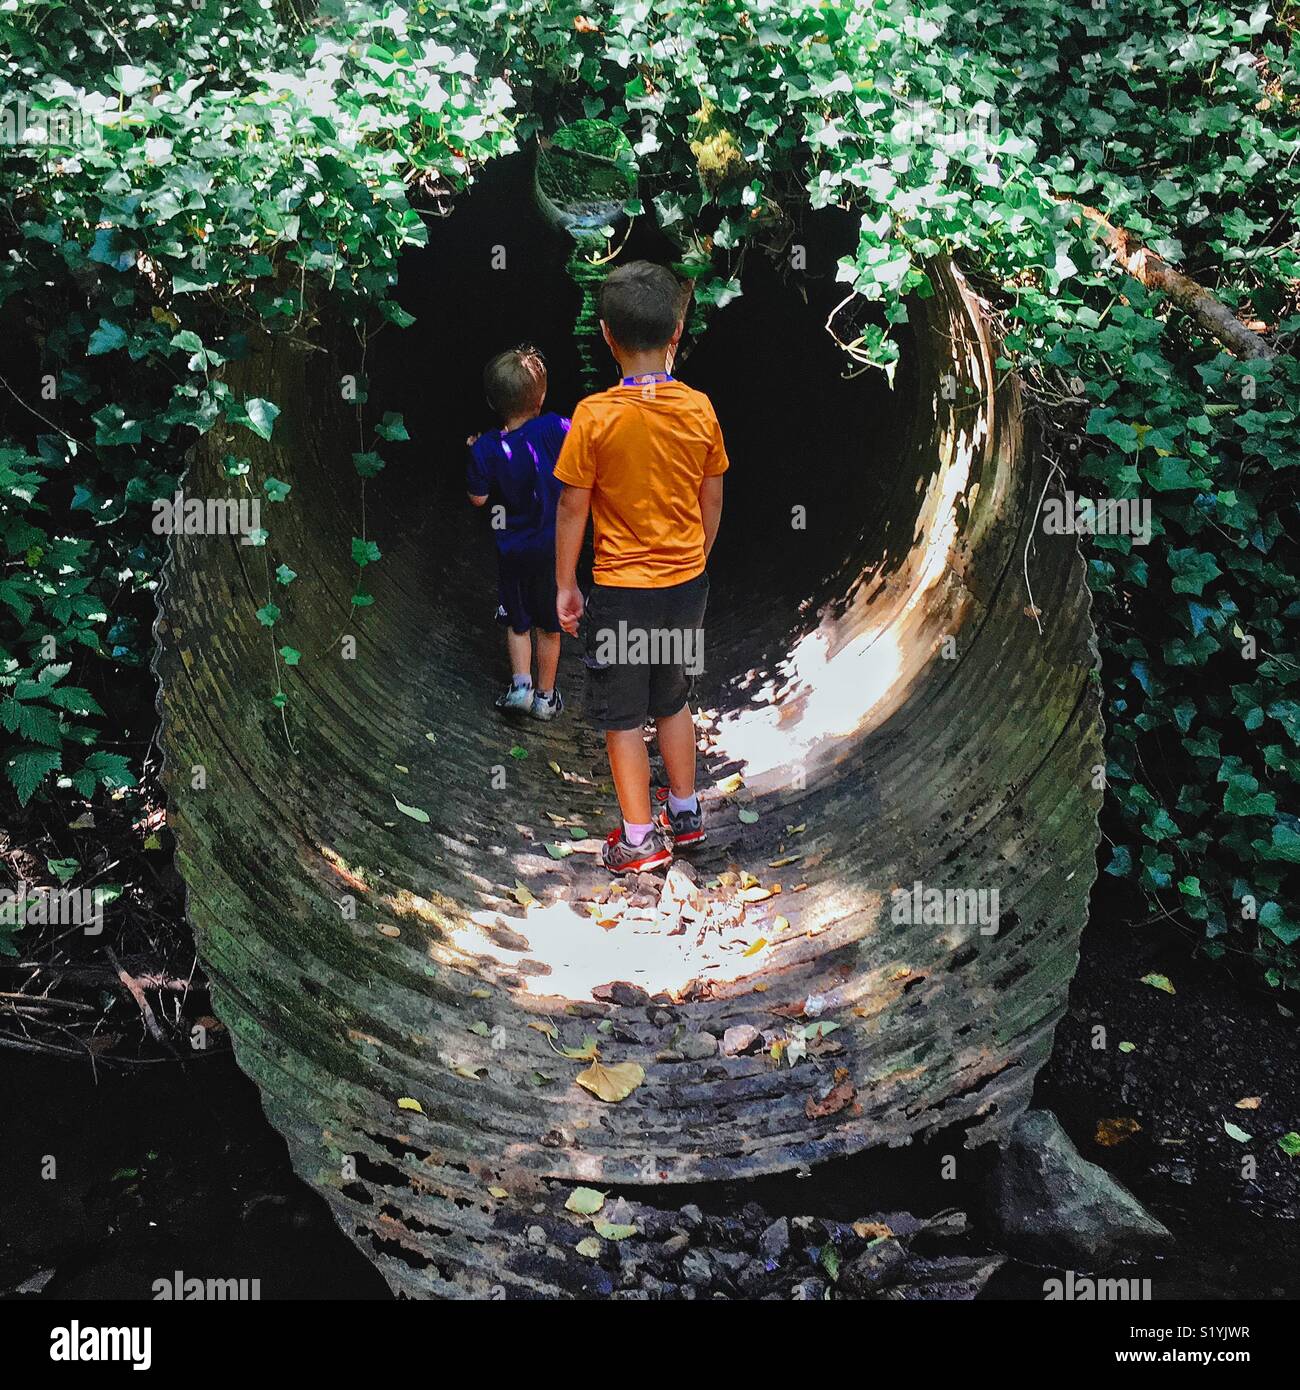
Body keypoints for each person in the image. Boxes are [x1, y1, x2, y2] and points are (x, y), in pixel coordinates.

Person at [554, 262, 728, 873]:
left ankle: (637, 839)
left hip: (622, 593)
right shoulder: (700, 408)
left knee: (622, 716)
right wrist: (697, 556)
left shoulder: (594, 418)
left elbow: (573, 507)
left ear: (605, 334)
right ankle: (685, 813)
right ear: (677, 332)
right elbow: (712, 495)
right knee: (673, 700)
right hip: (685, 585)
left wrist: (566, 584)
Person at [466, 344, 568, 719]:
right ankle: (546, 697)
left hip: (511, 550)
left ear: (492, 403)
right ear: (540, 398)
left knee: (517, 619)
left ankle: (520, 687)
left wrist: (477, 453)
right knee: (549, 625)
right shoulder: (555, 429)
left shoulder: (488, 448)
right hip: (551, 549)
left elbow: (478, 500)